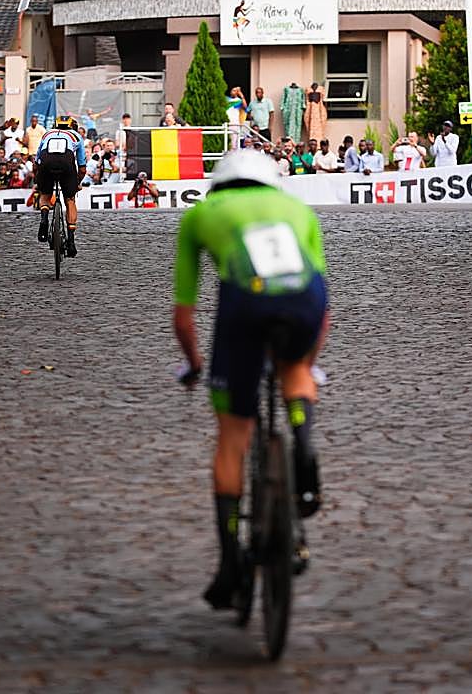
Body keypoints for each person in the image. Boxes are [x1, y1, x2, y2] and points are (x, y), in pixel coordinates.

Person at [172, 149, 329, 610]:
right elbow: (325, 312)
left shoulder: (200, 214)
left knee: (233, 437)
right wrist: (305, 361)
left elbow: (184, 317)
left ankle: (230, 564)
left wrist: (195, 364)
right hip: (304, 301)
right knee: (295, 371)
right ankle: (303, 442)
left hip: (244, 305)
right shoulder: (297, 209)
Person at [35, 114, 87, 257]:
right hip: (66, 163)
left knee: (45, 194)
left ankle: (44, 220)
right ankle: (71, 242)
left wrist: (39, 178)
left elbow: (37, 161)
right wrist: (77, 183)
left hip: (46, 161)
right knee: (70, 200)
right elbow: (82, 168)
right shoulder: (76, 136)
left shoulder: (47, 134)